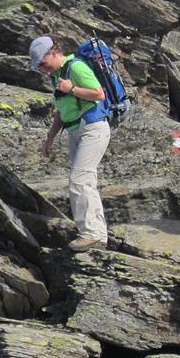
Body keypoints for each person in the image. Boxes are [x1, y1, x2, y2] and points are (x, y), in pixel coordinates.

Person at [29, 35, 110, 251]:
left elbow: (98, 94)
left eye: (42, 63)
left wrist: (72, 89)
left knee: (79, 180)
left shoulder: (75, 68)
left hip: (93, 127)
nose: (41, 69)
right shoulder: (57, 76)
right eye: (38, 66)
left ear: (53, 53)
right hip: (75, 130)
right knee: (86, 181)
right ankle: (98, 235)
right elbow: (61, 111)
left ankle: (90, 234)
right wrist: (50, 137)